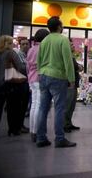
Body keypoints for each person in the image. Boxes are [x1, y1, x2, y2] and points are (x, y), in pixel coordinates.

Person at [36, 17, 76, 148]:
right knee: (59, 108)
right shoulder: (63, 39)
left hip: (43, 75)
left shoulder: (44, 40)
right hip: (58, 77)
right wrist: (71, 79)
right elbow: (68, 61)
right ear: (59, 26)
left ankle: (41, 137)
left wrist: (40, 74)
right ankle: (59, 138)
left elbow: (39, 59)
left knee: (43, 108)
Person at [0, 35, 26, 137]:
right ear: (8, 43)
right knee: (12, 107)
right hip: (9, 84)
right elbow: (21, 68)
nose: (13, 44)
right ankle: (13, 130)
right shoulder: (10, 53)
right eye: (11, 42)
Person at [26, 29, 49, 142]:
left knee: (34, 105)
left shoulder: (31, 49)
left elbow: (27, 66)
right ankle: (37, 132)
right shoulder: (44, 49)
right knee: (39, 106)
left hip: (31, 79)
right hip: (40, 78)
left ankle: (32, 131)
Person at [64, 39, 83, 133]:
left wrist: (79, 67)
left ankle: (68, 123)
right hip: (68, 83)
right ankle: (65, 124)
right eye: (71, 45)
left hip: (74, 83)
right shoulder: (66, 56)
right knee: (67, 105)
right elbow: (75, 67)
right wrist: (78, 68)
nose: (73, 46)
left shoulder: (72, 56)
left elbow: (78, 67)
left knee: (71, 105)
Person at [15, 38, 30, 134]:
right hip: (20, 83)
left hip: (26, 82)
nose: (25, 46)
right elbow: (21, 68)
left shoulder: (27, 55)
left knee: (24, 106)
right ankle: (18, 126)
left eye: (27, 44)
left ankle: (21, 125)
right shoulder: (18, 55)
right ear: (20, 45)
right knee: (20, 106)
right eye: (23, 44)